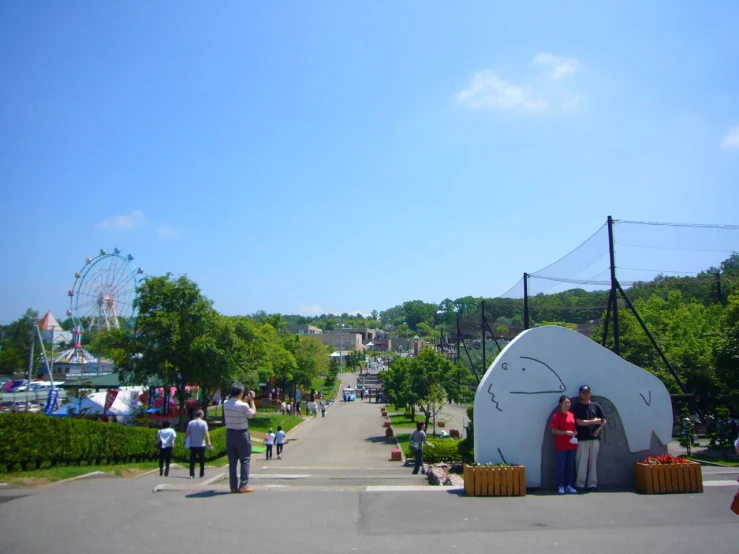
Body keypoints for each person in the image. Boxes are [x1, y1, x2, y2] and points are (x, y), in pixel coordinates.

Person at [223, 383, 257, 493]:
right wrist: (251, 400)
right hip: (242, 434)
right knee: (245, 459)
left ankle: (233, 486)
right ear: (241, 393)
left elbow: (237, 406)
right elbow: (252, 414)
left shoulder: (225, 403)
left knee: (232, 462)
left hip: (230, 433)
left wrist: (245, 400)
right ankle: (243, 485)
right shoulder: (243, 406)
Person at [573, 385, 607, 492]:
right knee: (581, 461)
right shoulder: (577, 407)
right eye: (583, 392)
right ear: (580, 394)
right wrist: (593, 421)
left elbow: (604, 420)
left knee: (593, 462)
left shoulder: (596, 406)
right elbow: (579, 422)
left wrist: (599, 429)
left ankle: (592, 484)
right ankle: (580, 484)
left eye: (587, 392)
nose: (585, 394)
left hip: (594, 438)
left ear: (590, 393)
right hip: (582, 438)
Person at [550, 395, 578, 495]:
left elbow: (574, 427)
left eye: (569, 403)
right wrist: (566, 433)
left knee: (570, 466)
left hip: (572, 445)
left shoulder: (572, 414)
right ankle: (561, 485)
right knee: (561, 466)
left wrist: (574, 432)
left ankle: (569, 485)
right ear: (560, 404)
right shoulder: (557, 416)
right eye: (565, 403)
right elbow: (554, 430)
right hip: (561, 445)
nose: (567, 405)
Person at [186, 409, 212, 479]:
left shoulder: (191, 423)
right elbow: (206, 433)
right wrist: (209, 441)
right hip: (201, 444)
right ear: (201, 415)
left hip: (193, 444)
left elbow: (187, 433)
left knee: (192, 460)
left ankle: (192, 474)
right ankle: (201, 473)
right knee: (202, 460)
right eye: (203, 414)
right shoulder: (203, 423)